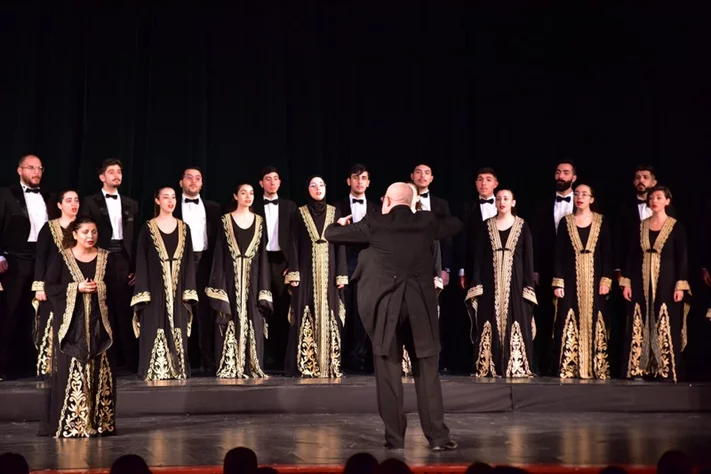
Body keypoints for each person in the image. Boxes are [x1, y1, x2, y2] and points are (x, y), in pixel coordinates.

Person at [325, 182, 461, 451]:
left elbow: (331, 234)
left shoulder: (375, 222)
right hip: (420, 308)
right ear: (411, 203)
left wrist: (340, 222)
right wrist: (419, 210)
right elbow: (455, 223)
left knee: (388, 373)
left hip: (386, 308)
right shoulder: (426, 221)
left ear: (386, 200)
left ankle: (395, 439)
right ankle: (437, 438)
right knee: (427, 373)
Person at [41, 215, 116, 438]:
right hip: (72, 326)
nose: (90, 236)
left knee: (100, 369)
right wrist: (76, 288)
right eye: (85, 232)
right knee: (73, 369)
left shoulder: (106, 258)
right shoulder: (63, 258)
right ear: (74, 234)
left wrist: (100, 287)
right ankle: (75, 422)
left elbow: (118, 288)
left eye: (93, 232)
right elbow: (51, 287)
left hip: (99, 325)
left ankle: (99, 422)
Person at [620, 185, 689, 382]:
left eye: (659, 197)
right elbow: (631, 256)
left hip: (666, 280)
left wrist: (680, 285)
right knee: (640, 318)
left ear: (667, 201)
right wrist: (627, 283)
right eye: (652, 198)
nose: (654, 201)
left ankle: (664, 369)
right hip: (641, 280)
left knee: (664, 317)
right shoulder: (640, 226)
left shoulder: (676, 227)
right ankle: (639, 368)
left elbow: (682, 258)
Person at [466, 188, 537, 378]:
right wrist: (477, 282)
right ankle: (489, 364)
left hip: (515, 281)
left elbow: (528, 258)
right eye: (498, 199)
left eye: (506, 199)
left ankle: (515, 364)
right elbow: (479, 258)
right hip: (490, 283)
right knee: (489, 319)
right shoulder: (486, 226)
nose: (502, 202)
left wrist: (528, 285)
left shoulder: (522, 226)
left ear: (513, 202)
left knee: (516, 319)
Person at [131, 186, 198, 381]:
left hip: (178, 288)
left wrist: (188, 289)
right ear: (157, 200)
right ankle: (154, 368)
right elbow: (141, 261)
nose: (170, 201)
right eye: (165, 197)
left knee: (177, 325)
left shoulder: (184, 228)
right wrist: (143, 291)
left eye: (173, 197)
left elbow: (188, 261)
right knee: (154, 324)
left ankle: (177, 368)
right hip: (155, 287)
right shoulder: (148, 228)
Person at [206, 184, 272, 378]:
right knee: (231, 317)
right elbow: (219, 253)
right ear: (236, 196)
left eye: (251, 193)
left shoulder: (259, 222)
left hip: (253, 278)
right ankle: (231, 363)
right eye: (243, 193)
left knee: (253, 316)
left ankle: (251, 364)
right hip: (229, 277)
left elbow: (262, 257)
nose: (248, 196)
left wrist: (263, 286)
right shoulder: (225, 221)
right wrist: (220, 285)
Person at [284, 176, 348, 378]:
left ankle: (329, 363)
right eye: (313, 185)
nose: (317, 188)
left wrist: (341, 275)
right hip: (306, 269)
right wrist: (293, 272)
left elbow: (340, 244)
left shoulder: (335, 212)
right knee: (306, 310)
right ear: (307, 189)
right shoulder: (299, 213)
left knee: (330, 311)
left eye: (321, 184)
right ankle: (308, 364)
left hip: (329, 269)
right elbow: (293, 243)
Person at [82, 159, 139, 374]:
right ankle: (105, 360)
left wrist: (135, 268)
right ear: (101, 177)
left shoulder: (131, 203)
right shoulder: (89, 201)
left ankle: (131, 361)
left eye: (119, 172)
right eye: (111, 172)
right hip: (101, 257)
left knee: (125, 310)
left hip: (123, 260)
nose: (116, 175)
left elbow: (134, 239)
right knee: (101, 309)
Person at [551, 184, 613, 379]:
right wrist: (558, 281)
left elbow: (607, 254)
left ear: (591, 199)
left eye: (584, 194)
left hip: (595, 279)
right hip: (570, 278)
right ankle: (570, 366)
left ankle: (597, 366)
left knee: (596, 316)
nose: (580, 197)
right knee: (569, 316)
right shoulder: (566, 222)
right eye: (577, 194)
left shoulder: (601, 221)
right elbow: (558, 254)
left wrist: (606, 280)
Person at [0, 154, 51, 380]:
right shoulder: (6, 194)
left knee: (38, 313)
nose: (36, 172)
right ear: (20, 171)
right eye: (31, 168)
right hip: (14, 260)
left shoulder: (49, 197)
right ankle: (3, 365)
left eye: (40, 168)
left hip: (42, 260)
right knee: (10, 313)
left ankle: (36, 364)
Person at [173, 167, 222, 374]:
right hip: (180, 262)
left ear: (202, 184)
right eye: (189, 177)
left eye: (198, 178)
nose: (193, 181)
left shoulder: (214, 208)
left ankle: (208, 361)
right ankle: (184, 361)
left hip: (205, 262)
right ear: (181, 182)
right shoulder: (172, 206)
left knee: (205, 312)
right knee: (181, 309)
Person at [531, 160, 577, 375]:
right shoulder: (542, 204)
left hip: (576, 268)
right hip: (547, 266)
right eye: (558, 172)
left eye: (566, 173)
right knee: (545, 316)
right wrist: (535, 268)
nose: (561, 176)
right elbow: (536, 239)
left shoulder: (584, 203)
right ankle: (544, 364)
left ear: (573, 178)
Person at [333, 164, 378, 373]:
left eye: (364, 178)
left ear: (368, 182)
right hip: (344, 267)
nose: (360, 182)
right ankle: (340, 357)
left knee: (365, 314)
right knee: (343, 312)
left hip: (370, 268)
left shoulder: (377, 208)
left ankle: (360, 358)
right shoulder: (337, 207)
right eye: (356, 178)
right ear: (348, 181)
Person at [253, 166, 298, 372]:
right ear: (261, 183)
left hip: (282, 263)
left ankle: (280, 358)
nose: (272, 182)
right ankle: (262, 357)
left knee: (281, 309)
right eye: (267, 179)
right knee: (260, 307)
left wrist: (292, 266)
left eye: (275, 179)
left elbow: (296, 239)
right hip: (259, 261)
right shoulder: (253, 205)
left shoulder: (290, 206)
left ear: (280, 183)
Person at [32, 189, 79, 377]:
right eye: (68, 201)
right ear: (60, 205)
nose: (73, 204)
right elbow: (41, 258)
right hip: (54, 284)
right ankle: (51, 367)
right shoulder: (49, 228)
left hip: (76, 283)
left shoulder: (82, 227)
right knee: (52, 322)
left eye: (76, 200)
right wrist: (39, 286)